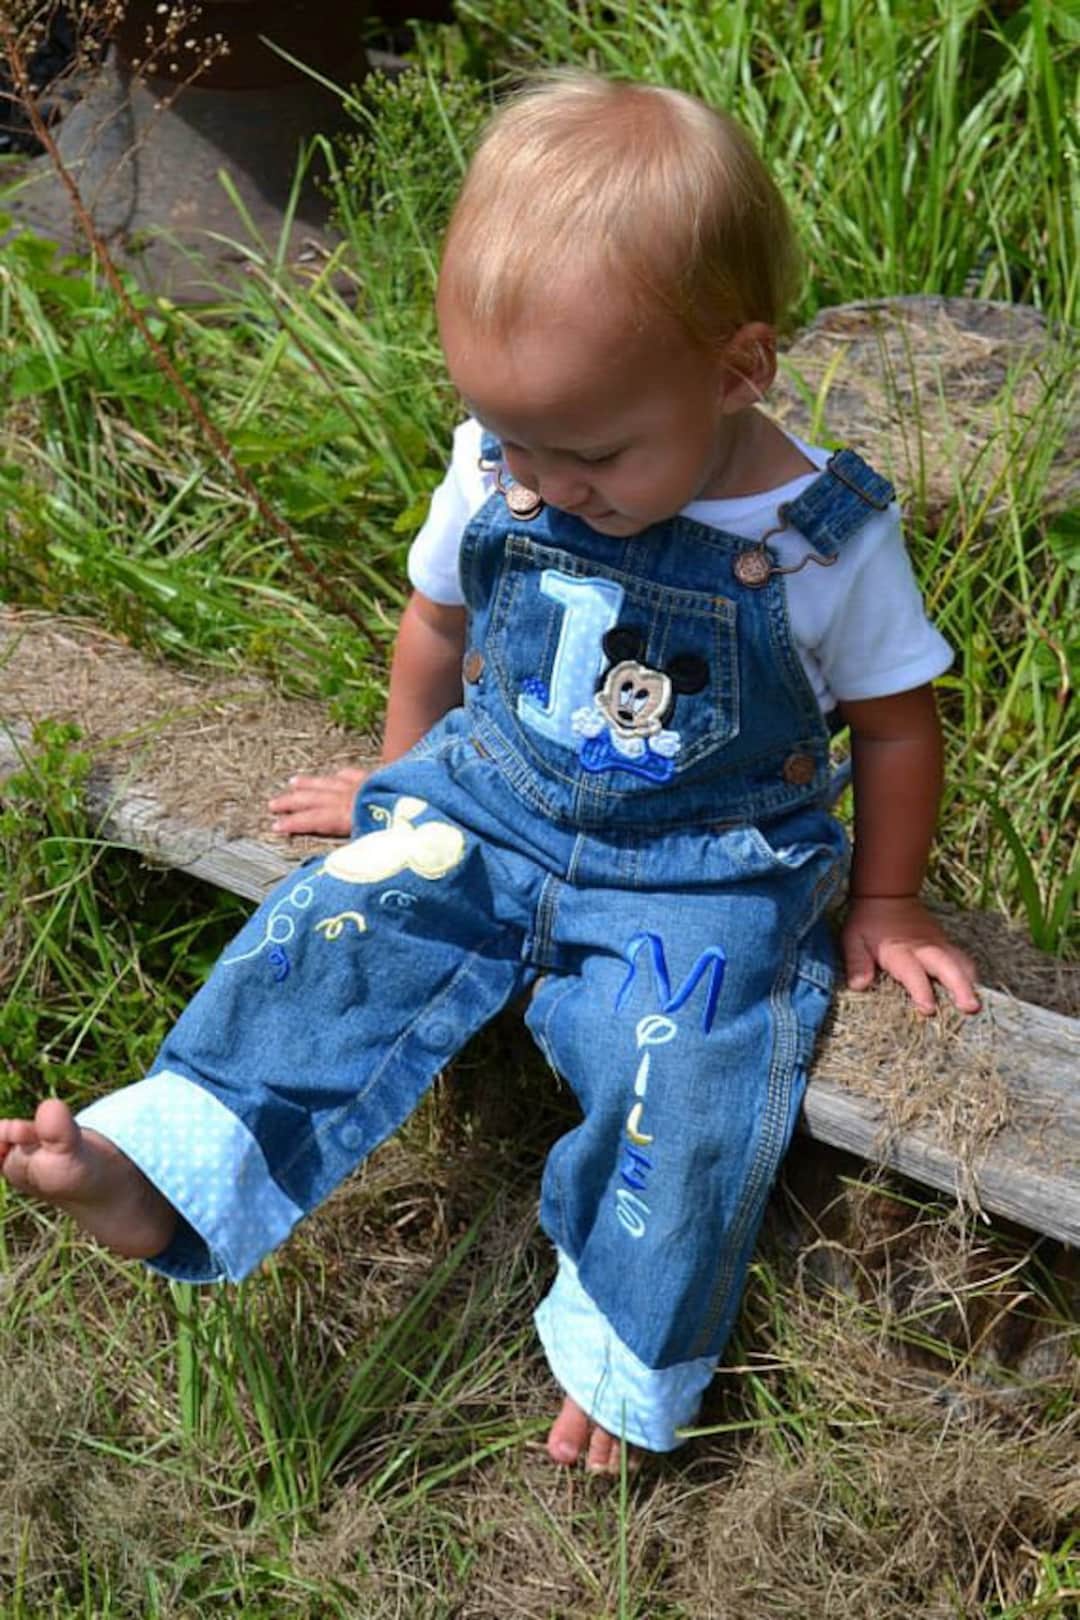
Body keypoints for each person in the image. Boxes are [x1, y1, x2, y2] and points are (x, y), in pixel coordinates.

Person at [0, 72, 980, 1474]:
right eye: (508, 436)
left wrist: (887, 901)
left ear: (738, 368)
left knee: (695, 1086)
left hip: (704, 867)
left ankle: (621, 1351)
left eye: (588, 451)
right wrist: (399, 786)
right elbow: (440, 621)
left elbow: (895, 724)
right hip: (492, 794)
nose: (543, 480)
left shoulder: (820, 540)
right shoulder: (506, 463)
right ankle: (166, 1169)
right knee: (328, 930)